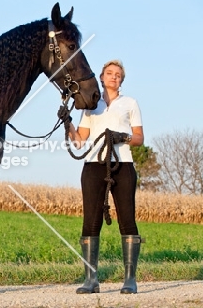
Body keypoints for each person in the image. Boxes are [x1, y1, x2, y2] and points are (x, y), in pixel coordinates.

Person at [64, 60, 144, 294]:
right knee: (90, 220)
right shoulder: (91, 105)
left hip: (123, 163)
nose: (113, 77)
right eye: (109, 73)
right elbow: (79, 140)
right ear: (101, 77)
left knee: (127, 219)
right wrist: (67, 123)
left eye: (118, 75)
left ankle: (130, 279)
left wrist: (124, 137)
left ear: (122, 80)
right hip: (93, 164)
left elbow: (140, 137)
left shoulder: (130, 103)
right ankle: (91, 279)